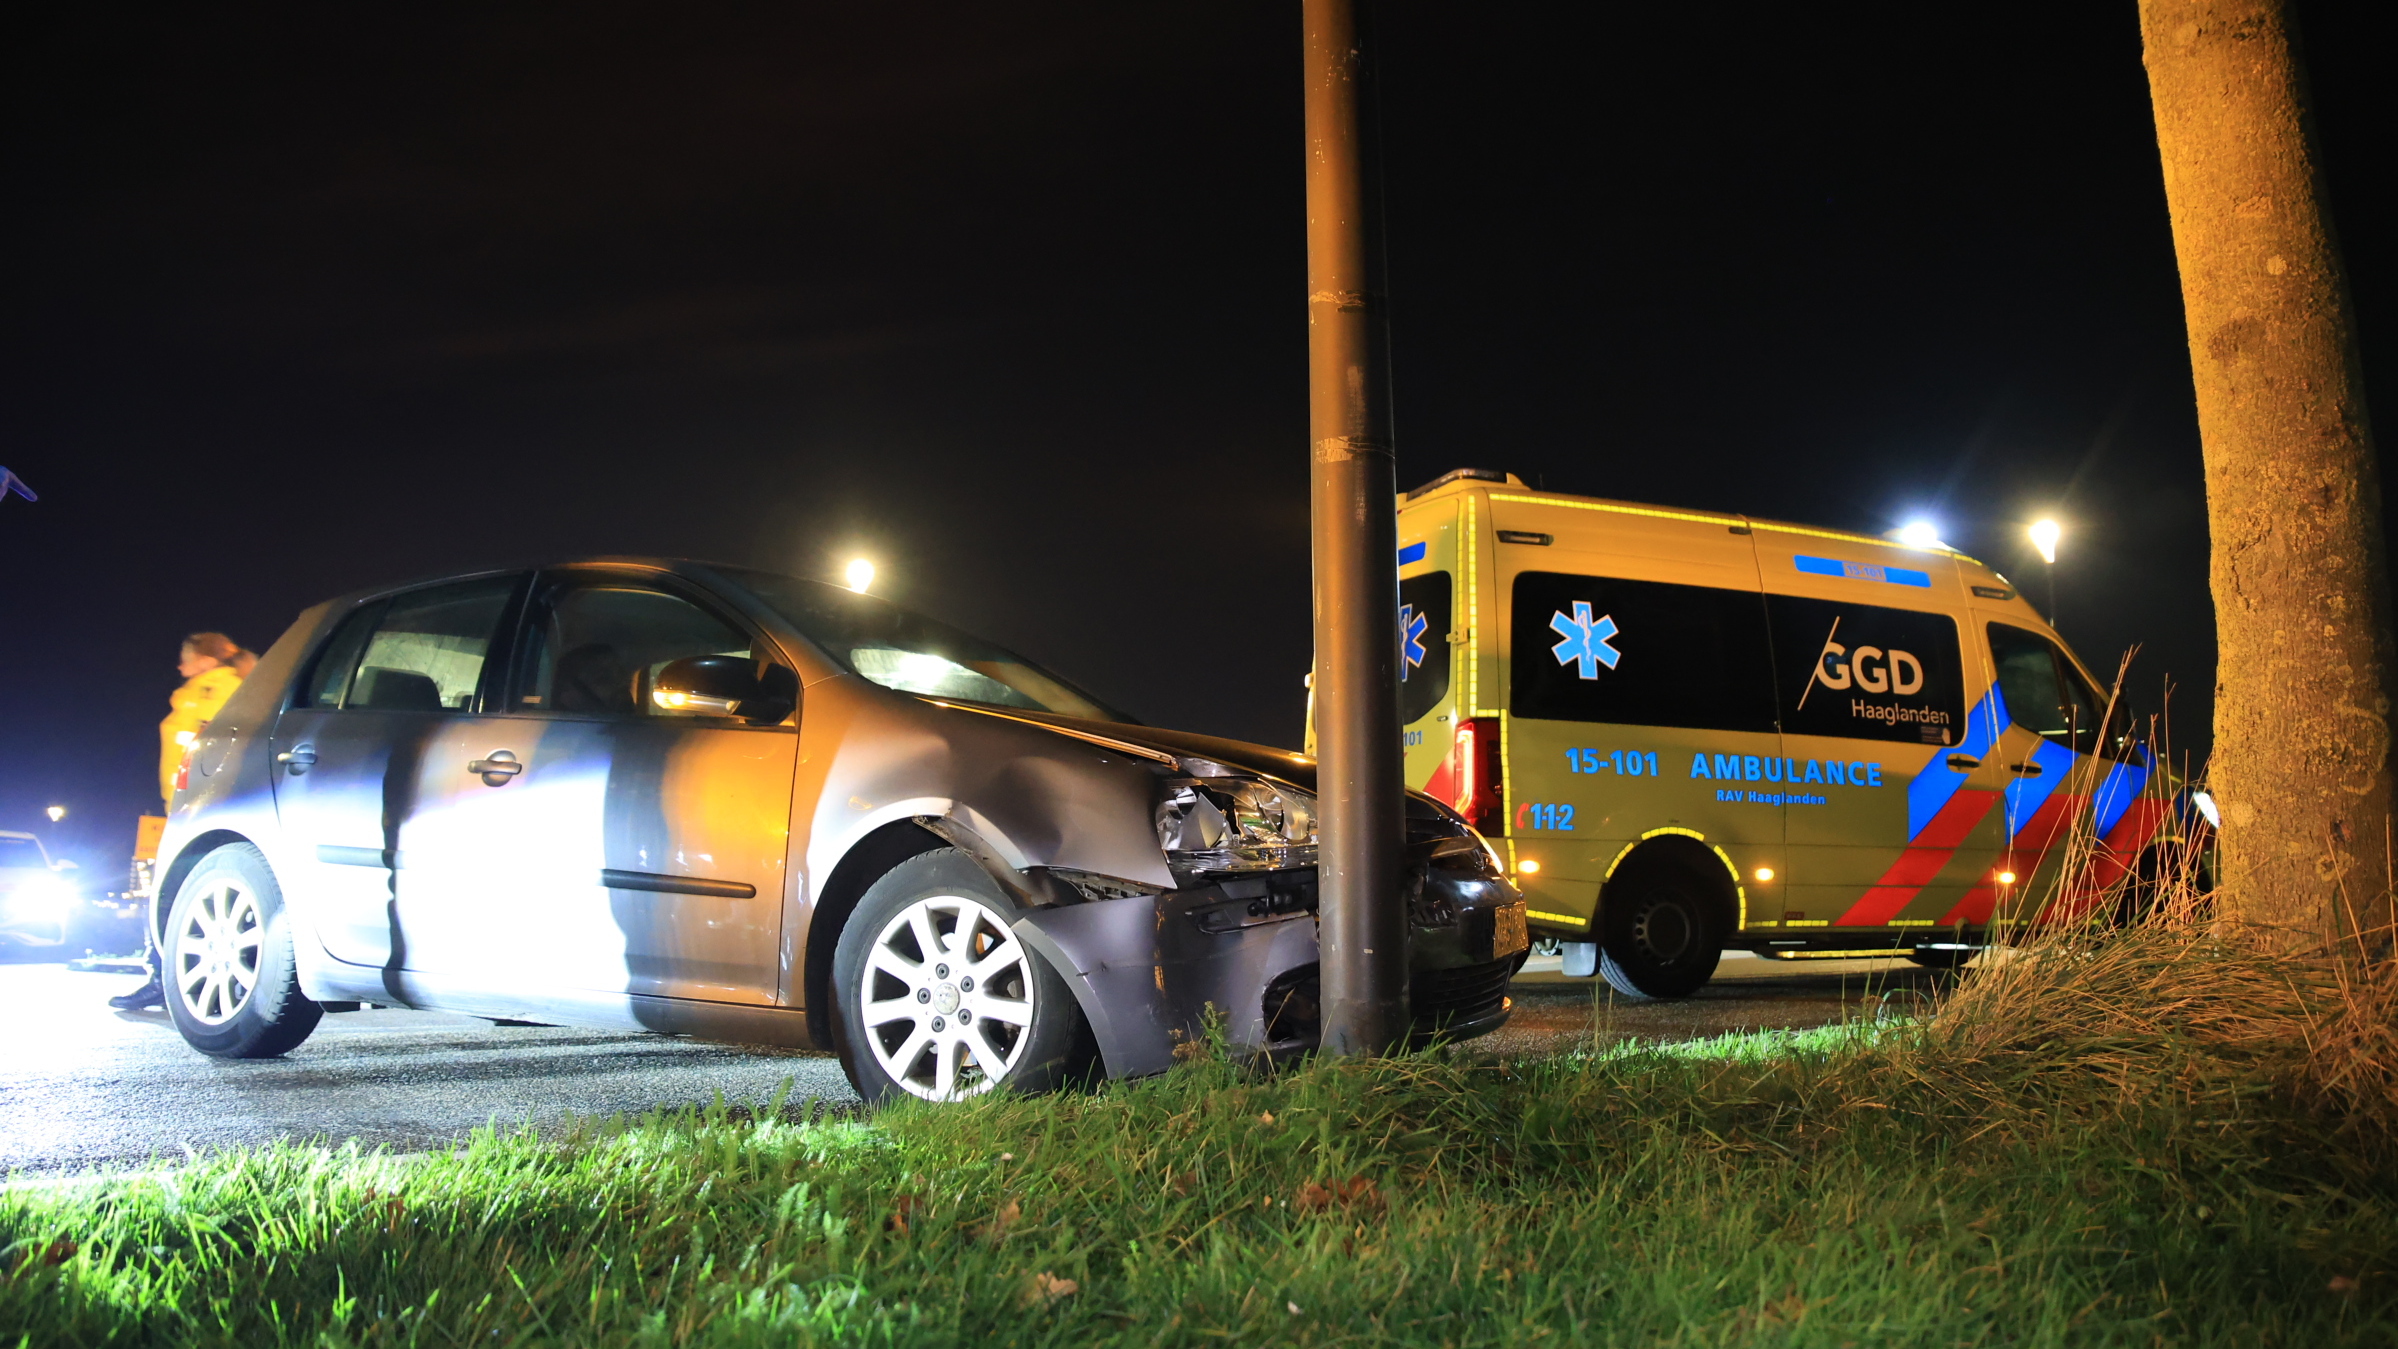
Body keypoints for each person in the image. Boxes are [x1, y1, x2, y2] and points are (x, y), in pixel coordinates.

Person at [111, 632, 249, 1011]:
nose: (179, 665)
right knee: (177, 894)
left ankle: (165, 980)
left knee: (170, 895)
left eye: (186, 656)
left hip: (200, 806)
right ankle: (175, 979)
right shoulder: (205, 689)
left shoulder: (215, 689)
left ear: (205, 658)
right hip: (189, 805)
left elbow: (219, 741)